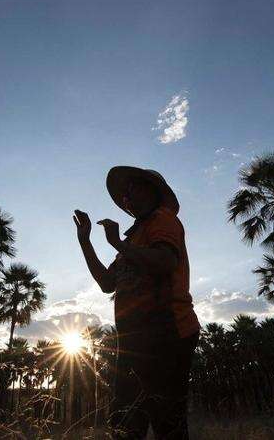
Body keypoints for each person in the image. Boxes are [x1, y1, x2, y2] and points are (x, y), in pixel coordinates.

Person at [73, 166, 200, 440]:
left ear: (152, 191)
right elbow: (108, 283)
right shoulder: (133, 238)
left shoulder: (162, 220)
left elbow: (165, 261)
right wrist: (86, 241)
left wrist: (119, 243)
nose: (127, 199)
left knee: (167, 421)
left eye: (132, 190)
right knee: (126, 423)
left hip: (168, 332)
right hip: (134, 341)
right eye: (124, 196)